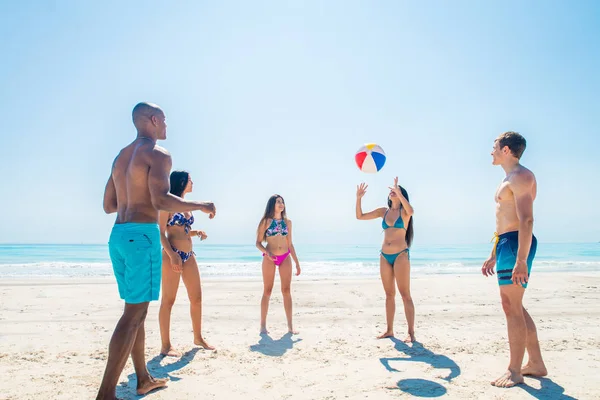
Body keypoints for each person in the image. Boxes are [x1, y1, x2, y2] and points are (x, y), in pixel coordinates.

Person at [98, 102, 216, 399]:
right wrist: (200, 205)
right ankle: (105, 394)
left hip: (119, 235)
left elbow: (109, 205)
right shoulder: (158, 154)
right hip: (142, 236)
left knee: (136, 311)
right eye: (163, 119)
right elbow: (162, 199)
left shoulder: (120, 157)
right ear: (152, 120)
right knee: (133, 315)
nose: (166, 124)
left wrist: (134, 197)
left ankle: (143, 378)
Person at [482, 131, 547, 388]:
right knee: (514, 305)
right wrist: (493, 253)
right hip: (507, 244)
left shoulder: (521, 176)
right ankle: (536, 364)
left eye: (495, 146)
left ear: (506, 150)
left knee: (511, 306)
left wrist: (520, 259)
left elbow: (526, 220)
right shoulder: (508, 179)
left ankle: (515, 370)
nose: (491, 151)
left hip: (517, 244)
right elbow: (503, 221)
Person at [158, 170, 214, 356]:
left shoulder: (187, 206)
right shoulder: (167, 204)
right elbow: (161, 233)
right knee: (168, 300)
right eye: (190, 180)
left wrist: (196, 232)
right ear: (182, 182)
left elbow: (181, 230)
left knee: (196, 298)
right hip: (171, 255)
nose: (192, 182)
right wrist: (172, 254)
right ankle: (166, 345)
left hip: (189, 255)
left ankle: (198, 337)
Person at [356, 177, 415, 342]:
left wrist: (399, 192)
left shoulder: (404, 213)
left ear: (400, 195)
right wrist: (359, 198)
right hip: (384, 256)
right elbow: (359, 216)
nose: (391, 192)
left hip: (401, 255)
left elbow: (411, 211)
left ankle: (411, 333)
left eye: (395, 191)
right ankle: (389, 330)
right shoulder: (384, 212)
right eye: (391, 191)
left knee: (405, 295)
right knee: (389, 294)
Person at [255, 194, 301, 334]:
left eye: (282, 202)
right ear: (272, 205)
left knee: (286, 291)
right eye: (278, 202)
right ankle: (263, 326)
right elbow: (258, 243)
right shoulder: (266, 222)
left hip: (285, 257)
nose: (281, 204)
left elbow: (290, 244)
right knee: (267, 291)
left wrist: (297, 263)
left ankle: (290, 326)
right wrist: (267, 253)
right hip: (270, 258)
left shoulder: (288, 222)